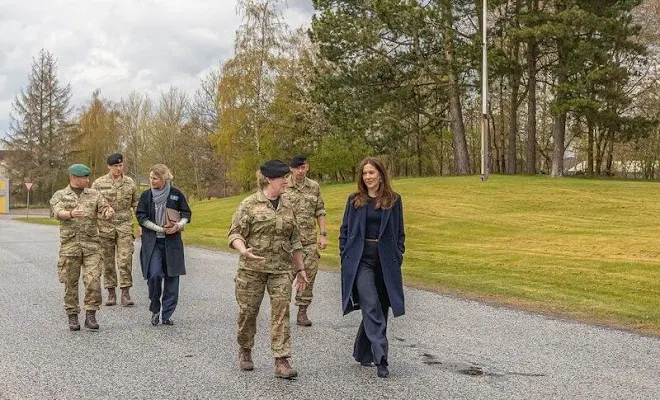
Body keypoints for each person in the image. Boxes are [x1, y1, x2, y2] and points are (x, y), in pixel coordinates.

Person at [228, 160, 308, 379]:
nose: (287, 181)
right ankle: (245, 349)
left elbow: (295, 240)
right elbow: (234, 233)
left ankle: (281, 360)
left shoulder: (289, 205)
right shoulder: (249, 204)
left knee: (282, 312)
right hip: (252, 269)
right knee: (248, 312)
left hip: (281, 269)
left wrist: (300, 269)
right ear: (270, 179)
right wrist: (243, 250)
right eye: (284, 178)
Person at [339, 157, 406, 378]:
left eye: (372, 173)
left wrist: (398, 254)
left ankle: (363, 352)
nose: (368, 177)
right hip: (361, 261)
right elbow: (345, 231)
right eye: (365, 173)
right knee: (370, 304)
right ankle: (381, 357)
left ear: (380, 175)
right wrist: (345, 256)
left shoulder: (394, 200)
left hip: (386, 260)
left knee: (382, 305)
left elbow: (400, 233)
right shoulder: (355, 200)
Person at [50, 163, 115, 331]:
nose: (88, 180)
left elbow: (105, 208)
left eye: (88, 177)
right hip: (70, 247)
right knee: (70, 283)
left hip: (92, 245)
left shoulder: (94, 194)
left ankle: (91, 315)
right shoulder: (61, 195)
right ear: (73, 178)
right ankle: (72, 315)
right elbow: (57, 212)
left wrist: (108, 213)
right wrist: (71, 214)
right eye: (84, 177)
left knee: (93, 280)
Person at [136, 164, 191, 326]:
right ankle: (155, 308)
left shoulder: (176, 194)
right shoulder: (146, 196)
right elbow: (141, 217)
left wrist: (178, 226)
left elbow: (186, 214)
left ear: (164, 178)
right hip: (153, 241)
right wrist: (160, 229)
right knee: (154, 274)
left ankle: (167, 314)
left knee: (172, 277)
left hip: (172, 242)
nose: (151, 181)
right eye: (151, 177)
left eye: (155, 178)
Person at [283, 154, 327, 327]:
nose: (301, 171)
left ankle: (302, 312)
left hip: (308, 241)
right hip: (287, 243)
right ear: (291, 169)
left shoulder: (314, 187)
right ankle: (281, 311)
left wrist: (323, 234)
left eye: (303, 168)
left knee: (308, 277)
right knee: (284, 279)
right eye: (297, 168)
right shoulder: (284, 186)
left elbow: (320, 210)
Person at [91, 153, 139, 307]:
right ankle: (111, 292)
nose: (119, 168)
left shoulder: (130, 183)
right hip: (105, 227)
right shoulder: (98, 184)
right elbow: (92, 205)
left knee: (125, 259)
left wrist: (142, 224)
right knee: (108, 261)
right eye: (115, 166)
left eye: (121, 165)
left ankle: (125, 292)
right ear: (109, 167)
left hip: (124, 225)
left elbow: (136, 204)